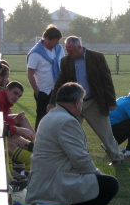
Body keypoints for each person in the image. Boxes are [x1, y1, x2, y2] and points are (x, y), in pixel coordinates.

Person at [26, 82, 119, 205]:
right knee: (109, 185)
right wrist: (98, 175)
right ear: (77, 102)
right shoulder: (66, 121)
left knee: (90, 180)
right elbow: (81, 160)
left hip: (45, 180)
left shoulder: (51, 116)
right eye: (82, 101)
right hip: (52, 183)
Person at [47, 36, 123, 166]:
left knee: (105, 133)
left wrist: (111, 101)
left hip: (94, 102)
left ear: (79, 47)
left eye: (70, 50)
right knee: (72, 134)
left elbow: (106, 79)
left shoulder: (96, 57)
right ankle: (77, 159)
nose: (68, 53)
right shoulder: (65, 61)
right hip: (73, 104)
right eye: (67, 50)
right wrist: (52, 101)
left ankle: (116, 158)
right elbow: (60, 82)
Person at [27, 25, 64, 131]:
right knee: (42, 120)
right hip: (43, 91)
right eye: (55, 41)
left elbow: (62, 66)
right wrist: (38, 93)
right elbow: (30, 74)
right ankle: (38, 144)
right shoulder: (35, 53)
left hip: (57, 90)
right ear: (47, 39)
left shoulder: (59, 49)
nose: (57, 43)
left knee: (58, 119)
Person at [0, 81, 36, 169]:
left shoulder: (4, 99)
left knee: (22, 118)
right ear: (7, 89)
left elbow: (2, 121)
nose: (16, 98)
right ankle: (36, 158)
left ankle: (36, 149)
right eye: (15, 93)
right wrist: (16, 129)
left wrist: (13, 125)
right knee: (11, 142)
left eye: (19, 96)